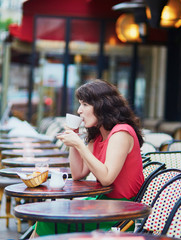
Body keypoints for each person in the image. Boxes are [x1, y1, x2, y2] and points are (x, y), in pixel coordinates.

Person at [32, 79, 145, 237]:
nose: (79, 110)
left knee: (48, 220)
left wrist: (79, 145)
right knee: (47, 215)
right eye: (80, 104)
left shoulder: (121, 133)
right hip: (102, 202)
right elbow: (78, 173)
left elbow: (106, 178)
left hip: (122, 211)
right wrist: (74, 138)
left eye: (85, 104)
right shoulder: (98, 134)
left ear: (102, 105)